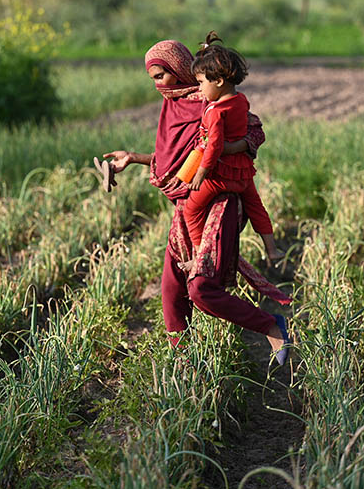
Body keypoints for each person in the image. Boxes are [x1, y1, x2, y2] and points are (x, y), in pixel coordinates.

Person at [101, 39, 292, 365]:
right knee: (172, 288)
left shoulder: (210, 99)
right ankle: (183, 362)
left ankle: (271, 326)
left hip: (220, 199)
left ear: (178, 70)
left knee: (202, 289)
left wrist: (231, 149)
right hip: (189, 201)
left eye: (160, 75)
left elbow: (253, 132)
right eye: (153, 78)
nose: (157, 84)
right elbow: (174, 158)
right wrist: (132, 158)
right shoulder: (173, 106)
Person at [177, 32, 283, 263]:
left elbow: (214, 145)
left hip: (220, 175)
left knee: (191, 210)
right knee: (255, 207)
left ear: (218, 81)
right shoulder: (241, 100)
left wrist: (201, 173)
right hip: (243, 173)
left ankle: (199, 256)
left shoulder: (215, 112)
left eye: (201, 82)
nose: (200, 89)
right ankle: (272, 249)